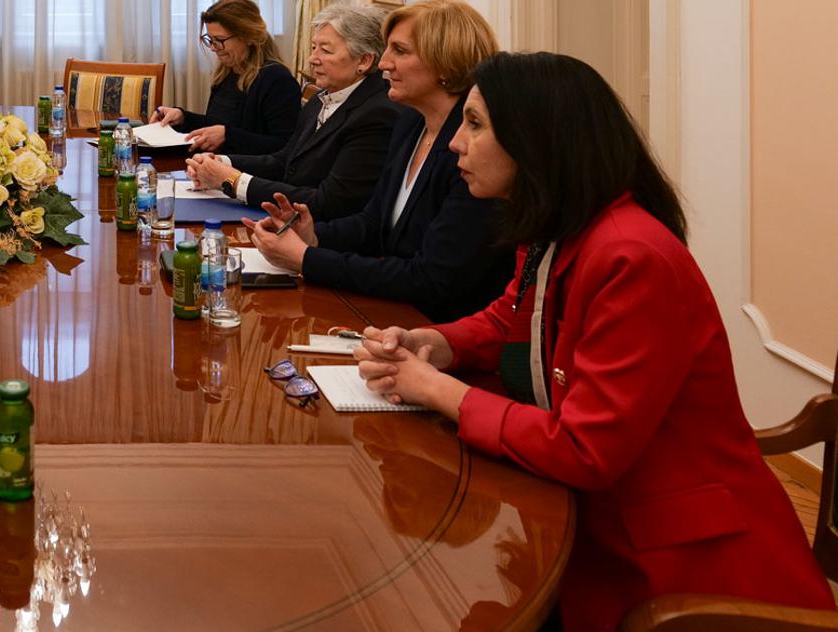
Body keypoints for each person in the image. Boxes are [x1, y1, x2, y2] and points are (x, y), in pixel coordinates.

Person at [352, 52, 835, 630]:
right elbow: (512, 320)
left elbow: (585, 449)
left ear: (538, 141)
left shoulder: (632, 256)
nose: (455, 142)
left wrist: (437, 390)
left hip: (678, 568)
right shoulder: (557, 227)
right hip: (593, 521)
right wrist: (435, 342)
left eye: (474, 124)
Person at [245, 0, 511, 323]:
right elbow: (373, 223)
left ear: (446, 63)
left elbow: (432, 278)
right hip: (392, 311)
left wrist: (307, 259)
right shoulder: (410, 123)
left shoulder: (474, 151)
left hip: (441, 326)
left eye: (399, 51)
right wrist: (312, 235)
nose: (383, 63)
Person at [186, 3, 401, 219]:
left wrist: (233, 181)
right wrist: (222, 163)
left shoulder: (377, 114)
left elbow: (330, 203)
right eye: (314, 47)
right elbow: (285, 161)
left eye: (325, 50)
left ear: (364, 60)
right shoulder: (321, 98)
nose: (312, 59)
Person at [149, 0, 302, 155]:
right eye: (210, 39)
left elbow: (285, 147)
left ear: (249, 37)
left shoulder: (278, 81)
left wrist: (228, 137)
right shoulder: (227, 72)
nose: (213, 48)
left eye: (220, 40)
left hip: (244, 169)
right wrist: (182, 117)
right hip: (220, 162)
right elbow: (217, 125)